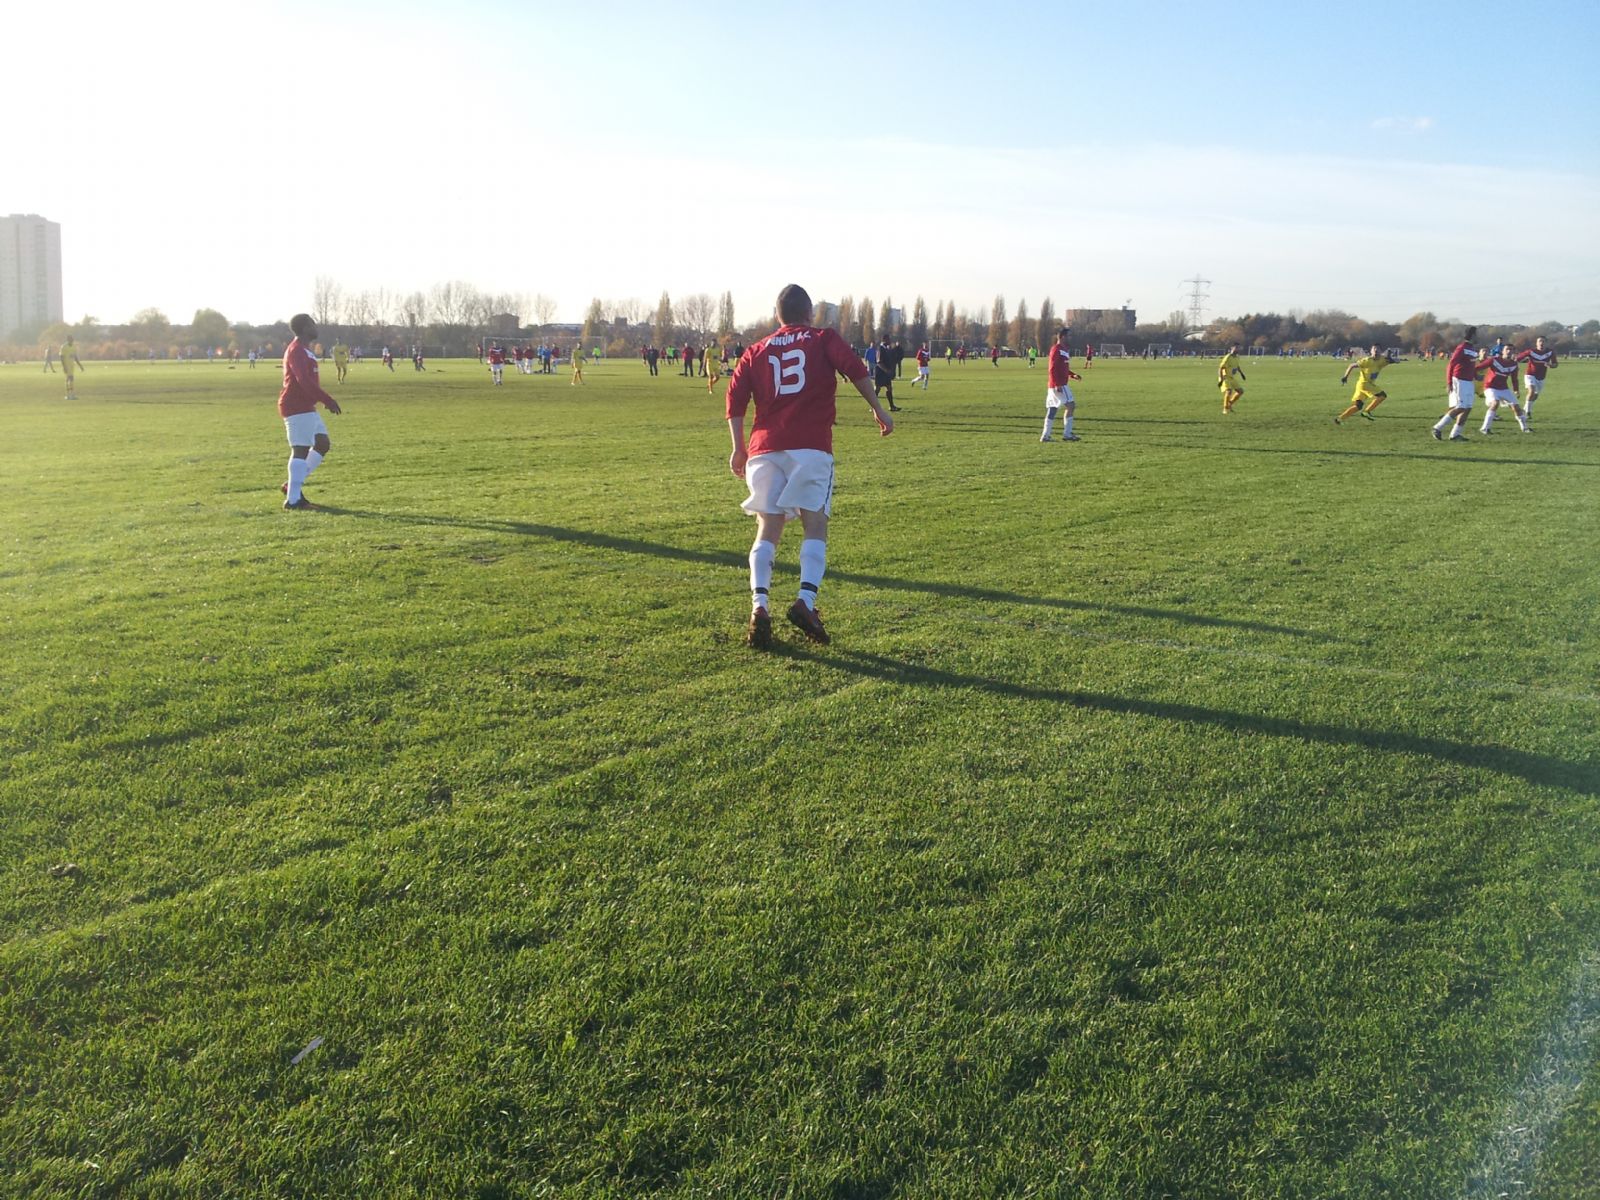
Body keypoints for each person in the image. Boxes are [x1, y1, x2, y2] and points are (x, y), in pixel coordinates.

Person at [725, 283, 892, 649]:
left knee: (768, 526)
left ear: (778, 316)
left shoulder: (755, 350)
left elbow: (734, 398)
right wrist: (877, 409)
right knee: (814, 522)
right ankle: (806, 601)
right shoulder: (821, 338)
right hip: (811, 446)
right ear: (809, 313)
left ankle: (759, 607)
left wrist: (738, 449)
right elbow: (854, 368)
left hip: (764, 448)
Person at [278, 314, 342, 510]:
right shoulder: (296, 350)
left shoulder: (305, 350)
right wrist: (327, 400)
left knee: (322, 444)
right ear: (305, 327)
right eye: (313, 324)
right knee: (300, 449)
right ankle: (293, 500)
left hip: (307, 406)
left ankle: (292, 486)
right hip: (296, 405)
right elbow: (303, 381)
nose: (316, 327)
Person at [1431, 326, 1481, 441]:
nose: (1478, 337)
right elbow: (1451, 365)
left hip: (1469, 382)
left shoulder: (1472, 349)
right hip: (1459, 380)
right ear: (1472, 335)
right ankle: (1437, 427)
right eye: (1476, 334)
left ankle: (1455, 434)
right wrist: (1449, 382)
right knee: (1460, 407)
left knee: (1467, 408)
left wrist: (1475, 375)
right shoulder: (1462, 348)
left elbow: (1470, 365)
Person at [1040, 327, 1083, 442]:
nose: (1071, 338)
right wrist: (1057, 384)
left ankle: (1045, 436)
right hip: (1059, 384)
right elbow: (1052, 368)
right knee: (1071, 405)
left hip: (1055, 384)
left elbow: (1062, 368)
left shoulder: (1064, 349)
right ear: (1063, 337)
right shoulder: (1056, 349)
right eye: (1069, 336)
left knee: (1052, 409)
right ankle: (1067, 434)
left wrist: (1072, 375)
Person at [1334, 345, 1397, 423]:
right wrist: (1345, 377)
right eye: (1374, 349)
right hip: (1364, 384)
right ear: (1371, 351)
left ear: (1381, 351)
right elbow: (1352, 366)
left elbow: (1395, 361)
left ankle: (1339, 419)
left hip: (1361, 386)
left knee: (1358, 406)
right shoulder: (1366, 361)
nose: (1376, 351)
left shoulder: (1383, 359)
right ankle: (1366, 412)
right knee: (1382, 395)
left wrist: (1392, 359)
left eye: (1378, 350)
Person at [1478, 346, 1529, 435]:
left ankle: (1525, 428)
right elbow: (1478, 367)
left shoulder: (1514, 364)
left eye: (1511, 350)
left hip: (1503, 388)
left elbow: (1514, 379)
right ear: (1503, 351)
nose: (1509, 351)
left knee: (1516, 407)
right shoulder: (1494, 360)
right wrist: (1471, 375)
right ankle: (1485, 428)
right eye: (1507, 349)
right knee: (1495, 403)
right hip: (1490, 387)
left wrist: (1516, 390)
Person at [1516, 336, 1557, 428]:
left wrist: (1551, 365)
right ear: (1536, 343)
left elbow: (1555, 364)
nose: (1541, 343)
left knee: (1535, 396)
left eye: (1543, 341)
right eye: (1539, 341)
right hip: (1530, 374)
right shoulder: (1531, 351)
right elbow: (1518, 358)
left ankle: (1526, 408)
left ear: (1546, 343)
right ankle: (1527, 412)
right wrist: (1515, 360)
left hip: (1541, 377)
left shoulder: (1550, 352)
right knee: (1531, 391)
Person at [873, 335, 899, 411]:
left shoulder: (887, 349)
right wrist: (887, 371)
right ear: (884, 340)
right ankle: (873, 406)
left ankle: (892, 406)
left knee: (889, 388)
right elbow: (879, 362)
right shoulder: (880, 349)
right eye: (888, 339)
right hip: (880, 372)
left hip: (886, 373)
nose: (890, 341)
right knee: (877, 389)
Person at [1218, 343, 1246, 413]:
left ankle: (1230, 403)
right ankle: (1225, 408)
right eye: (1236, 347)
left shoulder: (1237, 357)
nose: (1238, 349)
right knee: (1228, 391)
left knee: (1240, 391)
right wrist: (1221, 379)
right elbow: (1220, 368)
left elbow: (1237, 366)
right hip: (1225, 377)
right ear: (1232, 348)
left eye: (1239, 348)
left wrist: (1242, 373)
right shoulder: (1228, 357)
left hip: (1231, 377)